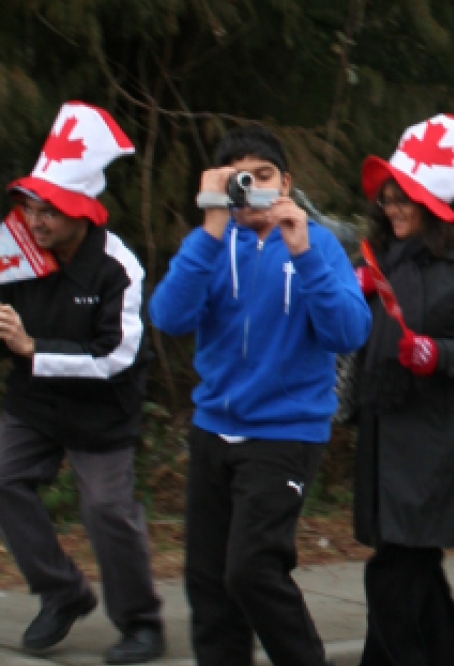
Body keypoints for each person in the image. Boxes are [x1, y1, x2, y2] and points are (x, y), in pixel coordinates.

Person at [149, 126, 371, 666]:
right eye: (238, 179)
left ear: (286, 182)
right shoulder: (211, 244)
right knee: (208, 583)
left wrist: (304, 252)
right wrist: (209, 225)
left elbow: (349, 332)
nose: (252, 189)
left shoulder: (317, 244)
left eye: (263, 176)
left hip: (285, 433)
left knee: (251, 569)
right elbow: (167, 316)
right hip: (213, 429)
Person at [0, 103, 164, 664]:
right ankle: (62, 592)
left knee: (106, 512)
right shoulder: (16, 250)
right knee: (2, 476)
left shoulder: (119, 266)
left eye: (50, 211)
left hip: (101, 408)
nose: (36, 220)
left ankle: (142, 623)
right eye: (30, 206)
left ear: (83, 213)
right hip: (35, 401)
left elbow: (117, 354)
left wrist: (32, 348)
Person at [352, 115, 454, 666]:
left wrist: (438, 354)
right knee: (413, 570)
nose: (393, 208)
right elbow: (352, 340)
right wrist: (353, 297)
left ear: (432, 208)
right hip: (383, 430)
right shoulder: (373, 262)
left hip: (437, 442)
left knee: (395, 572)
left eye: (404, 200)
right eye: (388, 198)